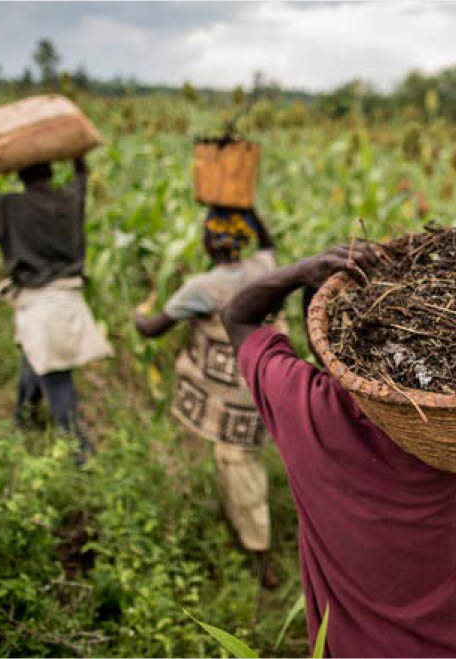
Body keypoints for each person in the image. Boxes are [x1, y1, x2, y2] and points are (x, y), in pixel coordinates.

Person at [220, 217, 456, 657]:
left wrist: (303, 269)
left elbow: (237, 316)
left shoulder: (302, 407)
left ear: (321, 343)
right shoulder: (446, 420)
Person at [134, 205, 282, 589]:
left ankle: (261, 557)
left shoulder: (202, 288)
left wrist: (139, 314)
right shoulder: (262, 269)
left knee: (240, 470)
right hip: (266, 387)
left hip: (232, 399)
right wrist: (251, 210)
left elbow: (152, 329)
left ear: (208, 242)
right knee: (240, 460)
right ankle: (244, 528)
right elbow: (269, 245)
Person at [0, 158, 112, 464]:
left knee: (57, 380)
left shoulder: (9, 208)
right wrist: (76, 151)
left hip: (38, 307)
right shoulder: (69, 200)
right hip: (67, 302)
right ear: (51, 171)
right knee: (35, 361)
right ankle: (23, 422)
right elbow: (82, 173)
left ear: (20, 174)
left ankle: (82, 459)